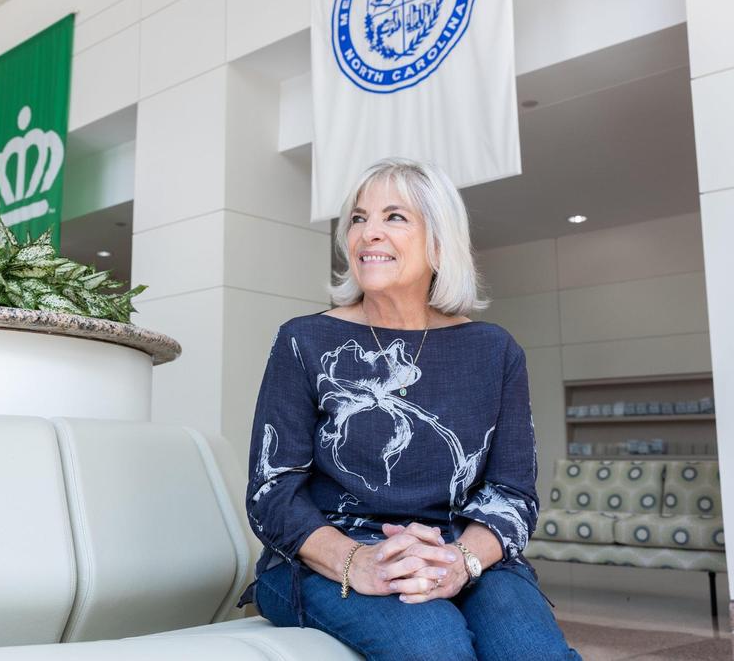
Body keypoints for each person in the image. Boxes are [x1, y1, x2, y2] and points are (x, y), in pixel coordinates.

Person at [238, 158, 582, 660]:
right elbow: (273, 491)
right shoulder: (304, 340)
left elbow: (512, 493)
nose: (368, 233)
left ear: (440, 243)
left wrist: (457, 560)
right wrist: (360, 561)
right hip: (321, 558)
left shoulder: (494, 350)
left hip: (459, 549)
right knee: (431, 642)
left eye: (394, 218)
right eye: (358, 219)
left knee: (532, 651)